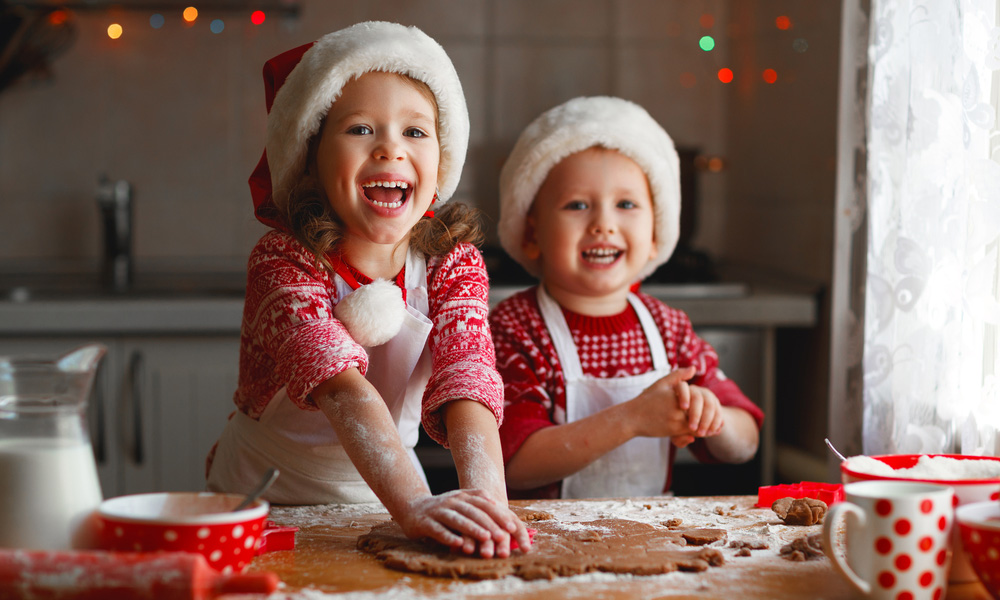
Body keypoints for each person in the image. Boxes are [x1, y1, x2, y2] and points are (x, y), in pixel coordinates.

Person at [206, 21, 530, 558]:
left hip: (382, 497)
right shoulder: (283, 260)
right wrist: (418, 506)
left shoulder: (453, 263)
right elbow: (339, 386)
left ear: (441, 159)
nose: (390, 150)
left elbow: (467, 376)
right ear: (309, 159)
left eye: (415, 132)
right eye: (360, 129)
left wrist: (488, 501)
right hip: (266, 502)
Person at [490, 96, 764, 499]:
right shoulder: (514, 328)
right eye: (577, 205)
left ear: (656, 235)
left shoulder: (669, 329)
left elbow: (746, 442)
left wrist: (712, 416)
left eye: (626, 204)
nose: (604, 224)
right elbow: (512, 465)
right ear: (532, 234)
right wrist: (630, 420)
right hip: (542, 547)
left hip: (652, 543)